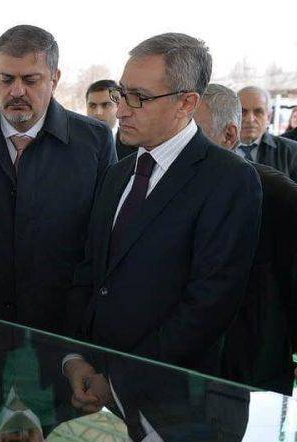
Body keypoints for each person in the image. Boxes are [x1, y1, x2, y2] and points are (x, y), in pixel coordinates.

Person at [64, 33, 261, 401]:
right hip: (94, 381)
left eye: (139, 98)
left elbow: (208, 306)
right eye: (122, 94)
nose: (122, 111)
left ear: (187, 102)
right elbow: (90, 272)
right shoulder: (117, 174)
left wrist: (120, 381)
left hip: (175, 399)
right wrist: (75, 357)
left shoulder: (229, 179)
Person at [0, 25, 116, 336]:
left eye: (31, 80)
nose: (17, 91)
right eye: (6, 79)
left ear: (55, 79)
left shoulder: (94, 141)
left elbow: (102, 240)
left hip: (64, 331)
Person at [194, 83, 297, 394]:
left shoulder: (277, 195)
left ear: (229, 136)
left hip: (255, 374)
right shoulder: (161, 189)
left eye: (192, 135)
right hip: (180, 371)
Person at [237, 86, 297, 181]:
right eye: (242, 112)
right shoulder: (217, 151)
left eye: (258, 112)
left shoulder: (291, 152)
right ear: (232, 115)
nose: (250, 119)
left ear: (269, 117)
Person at [85, 79, 136, 159]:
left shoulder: (135, 145)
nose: (98, 112)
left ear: (119, 106)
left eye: (106, 105)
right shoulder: (74, 142)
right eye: (92, 105)